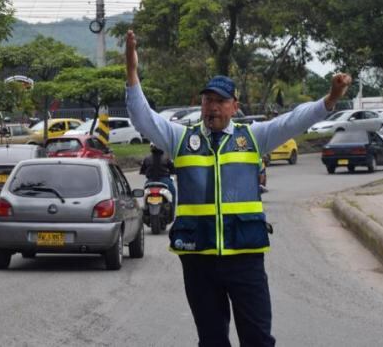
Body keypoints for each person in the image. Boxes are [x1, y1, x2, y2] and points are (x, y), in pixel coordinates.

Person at [124, 30, 351, 347]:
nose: (212, 107)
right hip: (198, 256)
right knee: (212, 340)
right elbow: (142, 117)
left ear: (234, 106)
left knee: (257, 338)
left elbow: (292, 121)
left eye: (220, 101)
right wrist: (132, 72)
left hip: (244, 256)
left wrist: (329, 100)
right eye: (207, 100)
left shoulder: (253, 137)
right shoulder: (181, 139)